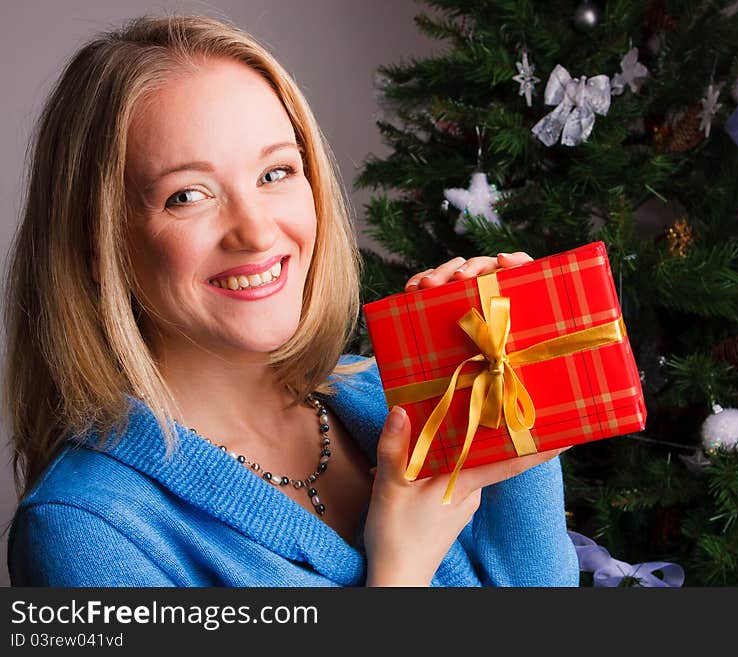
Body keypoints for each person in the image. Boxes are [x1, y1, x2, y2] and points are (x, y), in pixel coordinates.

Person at [4, 14, 579, 587]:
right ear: (100, 241)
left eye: (276, 172)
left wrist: (509, 391)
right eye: (187, 194)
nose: (255, 232)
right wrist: (400, 571)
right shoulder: (86, 529)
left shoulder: (395, 399)